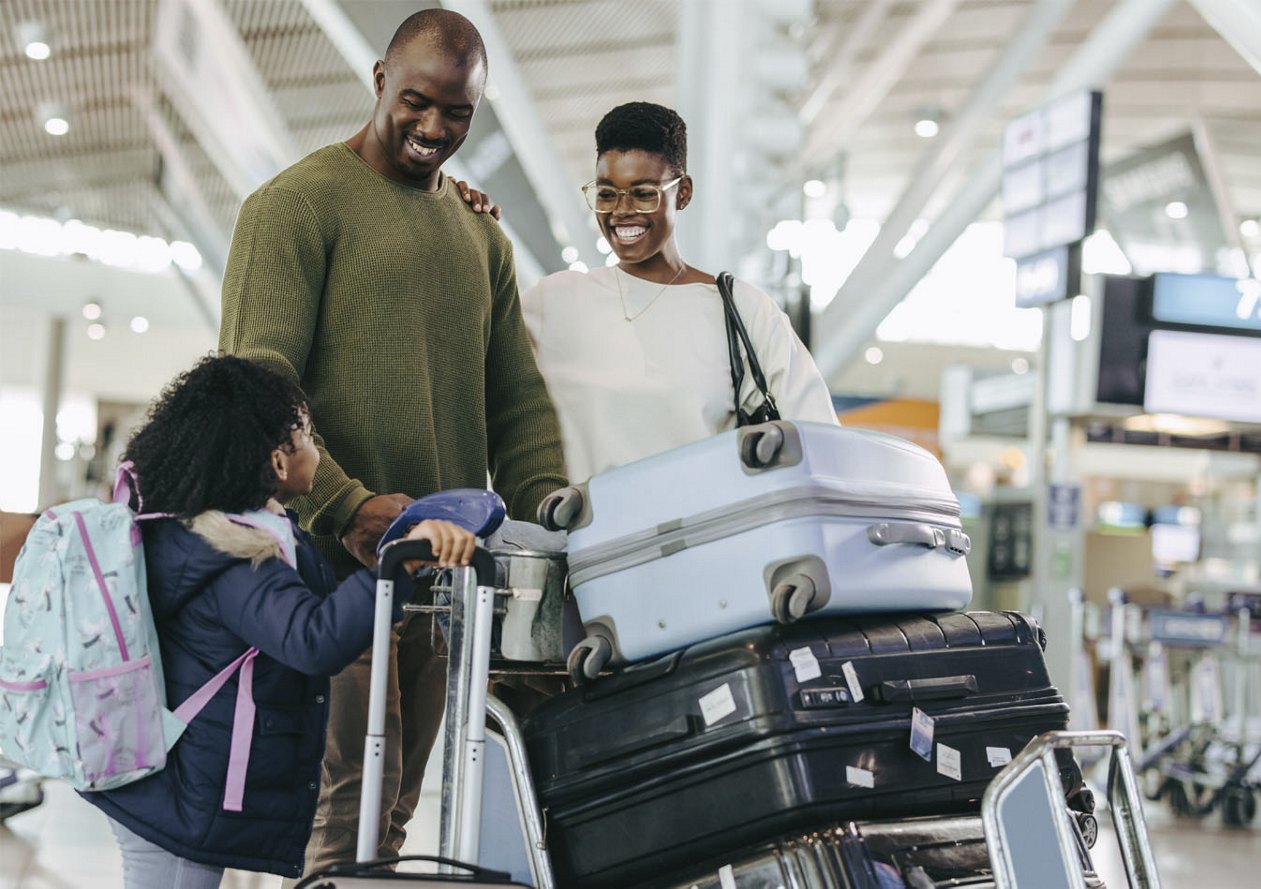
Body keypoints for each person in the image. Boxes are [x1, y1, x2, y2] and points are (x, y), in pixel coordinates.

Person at [216, 7, 568, 875]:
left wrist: (556, 508)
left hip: (443, 578)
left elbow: (516, 401)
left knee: (396, 806)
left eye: (458, 113)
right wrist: (348, 503)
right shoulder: (293, 207)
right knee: (336, 805)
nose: (434, 128)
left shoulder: (480, 235)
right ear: (379, 80)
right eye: (417, 102)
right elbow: (256, 388)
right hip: (329, 575)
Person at [80, 354, 477, 886]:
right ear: (279, 462)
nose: (318, 447)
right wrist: (398, 563)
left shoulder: (215, 533)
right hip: (181, 794)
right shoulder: (235, 555)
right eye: (309, 435)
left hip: (174, 776)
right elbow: (311, 638)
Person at [521, 102, 838, 482]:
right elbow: (463, 370)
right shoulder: (553, 302)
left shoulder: (739, 309)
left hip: (705, 537)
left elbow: (822, 442)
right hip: (584, 538)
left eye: (643, 194)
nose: (622, 212)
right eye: (607, 194)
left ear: (683, 193)